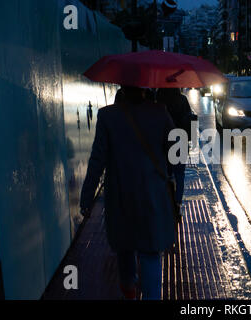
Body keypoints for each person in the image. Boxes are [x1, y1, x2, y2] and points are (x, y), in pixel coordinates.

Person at [80, 86, 176, 300]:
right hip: (152, 195)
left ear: (122, 86)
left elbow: (97, 160)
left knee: (125, 246)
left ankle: (129, 292)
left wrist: (87, 198)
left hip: (120, 196)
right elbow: (175, 154)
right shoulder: (160, 112)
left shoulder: (107, 115)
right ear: (144, 88)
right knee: (150, 252)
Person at [156, 88, 193, 207]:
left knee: (165, 173)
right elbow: (189, 119)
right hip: (180, 139)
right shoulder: (182, 99)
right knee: (180, 174)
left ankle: (165, 201)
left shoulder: (158, 100)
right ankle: (178, 203)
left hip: (163, 141)